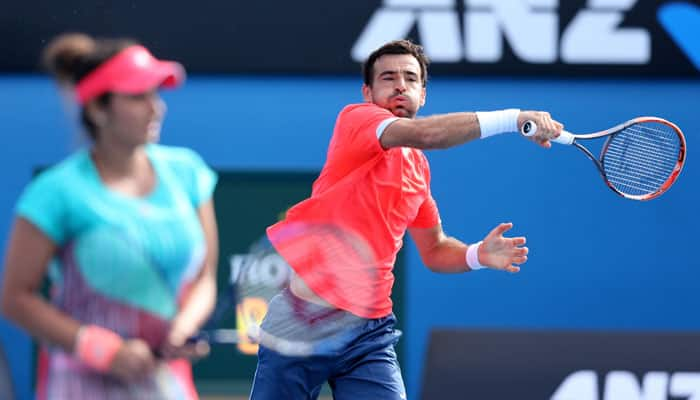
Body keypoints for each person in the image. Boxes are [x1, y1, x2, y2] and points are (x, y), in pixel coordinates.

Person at [250, 39, 563, 399]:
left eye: (411, 79)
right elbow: (427, 134)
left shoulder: (417, 169)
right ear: (368, 92)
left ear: (423, 94)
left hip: (369, 335)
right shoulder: (357, 119)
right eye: (388, 78)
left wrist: (478, 254)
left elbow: (435, 249)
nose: (400, 85)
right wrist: (513, 119)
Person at [0, 33, 219, 399]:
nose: (156, 108)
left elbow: (205, 278)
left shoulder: (188, 173)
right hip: (78, 386)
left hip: (167, 384)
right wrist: (100, 349)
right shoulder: (55, 192)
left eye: (156, 94)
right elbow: (15, 298)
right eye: (137, 97)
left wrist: (184, 327)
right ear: (98, 110)